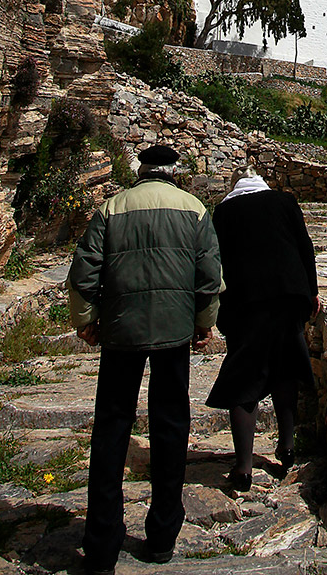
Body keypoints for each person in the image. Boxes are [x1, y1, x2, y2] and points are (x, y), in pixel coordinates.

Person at [68, 143, 223, 575]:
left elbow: (83, 272)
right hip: (174, 334)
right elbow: (210, 277)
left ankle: (101, 545)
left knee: (112, 430)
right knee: (170, 427)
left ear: (140, 171)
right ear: (176, 172)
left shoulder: (112, 208)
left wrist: (86, 321)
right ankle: (161, 536)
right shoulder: (194, 210)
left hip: (121, 333)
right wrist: (203, 323)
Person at [206, 165, 320, 491]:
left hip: (245, 304)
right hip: (288, 296)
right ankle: (286, 447)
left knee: (245, 379)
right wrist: (311, 292)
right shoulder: (285, 201)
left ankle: (243, 465)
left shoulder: (224, 212)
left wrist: (216, 309)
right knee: (285, 372)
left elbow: (217, 261)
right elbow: (305, 247)